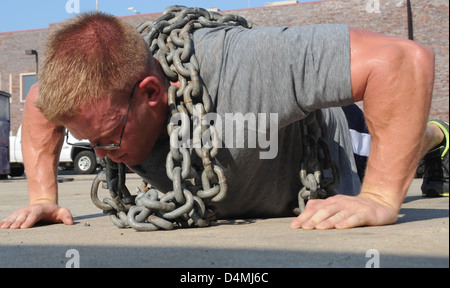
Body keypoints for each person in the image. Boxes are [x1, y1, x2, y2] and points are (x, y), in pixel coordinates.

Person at [1, 11, 447, 231]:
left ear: (151, 95)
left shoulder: (247, 63)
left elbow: (403, 60)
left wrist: (381, 198)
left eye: (106, 140)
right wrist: (43, 195)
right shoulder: (90, 100)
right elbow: (40, 106)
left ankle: (436, 138)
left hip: (331, 145)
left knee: (389, 145)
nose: (100, 157)